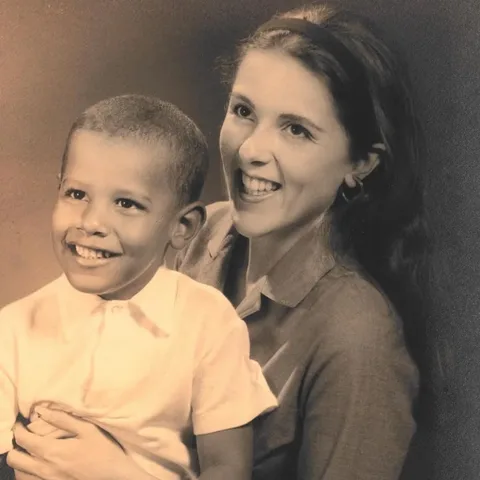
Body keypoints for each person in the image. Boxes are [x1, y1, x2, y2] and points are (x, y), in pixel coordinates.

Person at [7, 3, 430, 480]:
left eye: (296, 130)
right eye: (244, 111)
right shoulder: (195, 233)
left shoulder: (358, 340)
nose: (250, 151)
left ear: (361, 164)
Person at [0, 94, 278, 480]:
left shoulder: (207, 323)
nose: (92, 221)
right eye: (77, 194)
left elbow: (228, 471)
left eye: (127, 204)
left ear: (182, 228)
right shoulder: (14, 328)